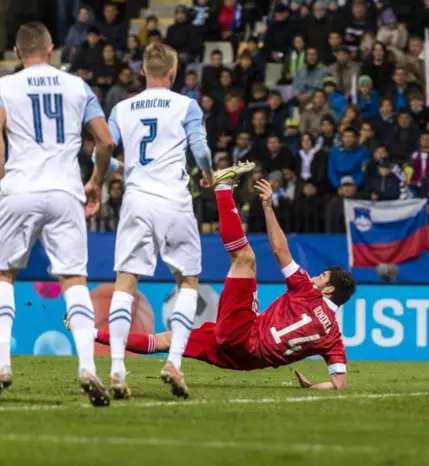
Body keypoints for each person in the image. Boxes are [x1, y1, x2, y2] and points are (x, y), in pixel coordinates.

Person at [93, 173, 355, 390]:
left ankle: (222, 190)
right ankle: (93, 334)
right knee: (166, 341)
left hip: (243, 334)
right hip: (240, 360)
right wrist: (313, 388)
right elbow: (339, 383)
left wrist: (267, 207)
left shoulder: (307, 291)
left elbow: (279, 249)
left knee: (245, 258)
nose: (314, 276)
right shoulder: (334, 338)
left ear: (329, 289)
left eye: (321, 277)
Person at [0, 22, 114, 406]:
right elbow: (105, 140)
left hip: (19, 189)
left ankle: (2, 364)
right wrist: (95, 181)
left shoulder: (5, 86)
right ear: (51, 49)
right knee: (74, 279)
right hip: (66, 191)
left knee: (4, 275)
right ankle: (88, 366)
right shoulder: (77, 86)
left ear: (18, 52)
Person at [103, 43, 215, 400]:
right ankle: (174, 362)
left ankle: (117, 369)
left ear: (143, 72)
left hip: (137, 200)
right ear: (172, 71)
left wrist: (117, 169)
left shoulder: (122, 108)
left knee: (125, 281)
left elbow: (101, 149)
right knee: (188, 280)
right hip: (174, 201)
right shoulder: (186, 105)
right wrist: (208, 173)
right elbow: (201, 150)